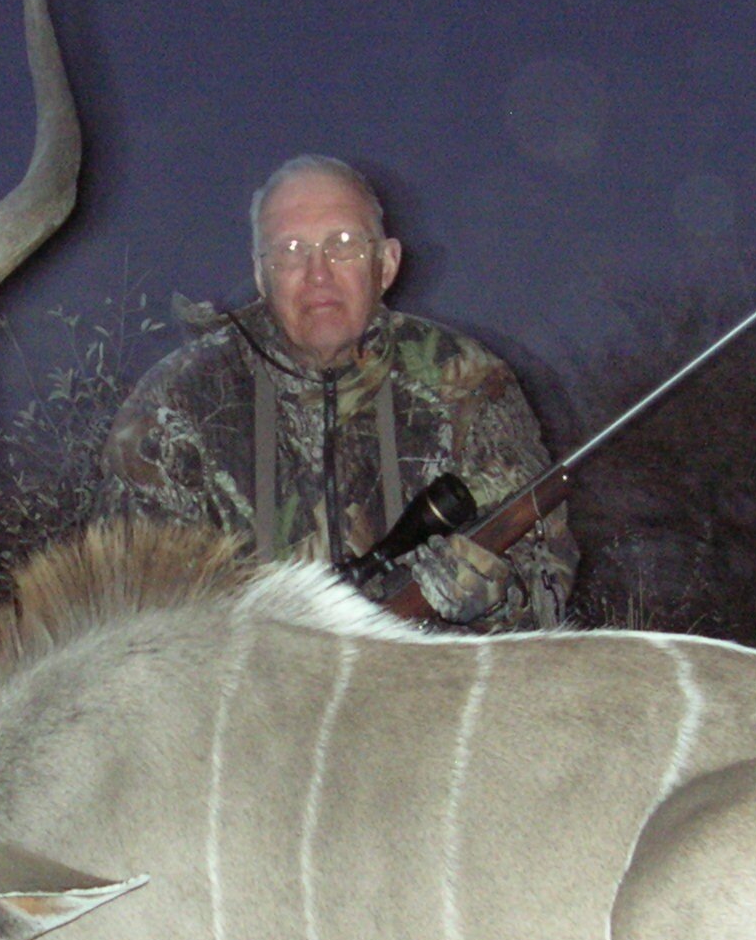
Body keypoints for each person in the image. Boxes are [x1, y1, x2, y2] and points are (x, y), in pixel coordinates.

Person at [99, 154, 576, 629]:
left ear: (385, 264)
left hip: (436, 689)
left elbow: (548, 587)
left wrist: (497, 597)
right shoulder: (172, 405)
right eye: (289, 250)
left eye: (343, 245)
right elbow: (128, 620)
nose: (318, 273)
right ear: (262, 276)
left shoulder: (471, 380)